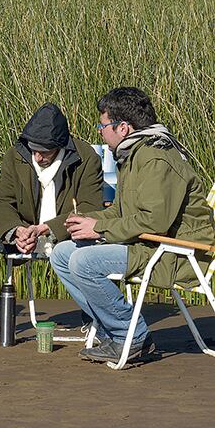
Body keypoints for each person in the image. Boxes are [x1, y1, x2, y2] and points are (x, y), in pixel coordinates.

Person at [52, 87, 215, 363]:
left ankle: (131, 335)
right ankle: (110, 331)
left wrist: (100, 230)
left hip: (175, 253)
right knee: (62, 254)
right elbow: (120, 211)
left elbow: (156, 221)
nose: (100, 132)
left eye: (103, 126)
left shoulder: (155, 157)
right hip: (148, 244)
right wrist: (91, 221)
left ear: (123, 127)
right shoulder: (132, 154)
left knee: (84, 262)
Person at [0, 103, 104, 342]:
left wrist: (49, 228)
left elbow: (90, 209)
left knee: (88, 239)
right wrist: (15, 231)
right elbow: (0, 202)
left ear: (61, 146)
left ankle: (95, 319)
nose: (38, 156)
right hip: (24, 234)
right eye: (34, 149)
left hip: (67, 236)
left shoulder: (86, 158)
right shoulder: (16, 155)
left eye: (45, 151)